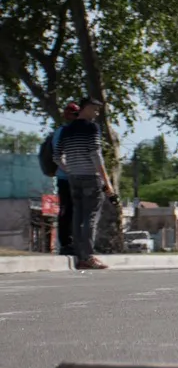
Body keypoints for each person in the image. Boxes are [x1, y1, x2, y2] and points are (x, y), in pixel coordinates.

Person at [54, 97, 117, 270]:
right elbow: (96, 155)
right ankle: (88, 256)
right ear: (86, 108)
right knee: (90, 217)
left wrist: (70, 170)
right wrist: (107, 182)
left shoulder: (67, 130)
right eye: (95, 109)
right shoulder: (91, 128)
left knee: (78, 216)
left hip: (74, 178)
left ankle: (79, 254)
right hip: (91, 177)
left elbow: (57, 156)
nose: (96, 113)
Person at [53, 102, 80, 255]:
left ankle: (77, 242)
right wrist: (70, 172)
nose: (76, 117)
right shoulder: (62, 132)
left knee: (78, 211)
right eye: (73, 114)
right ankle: (66, 243)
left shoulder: (79, 132)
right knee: (66, 210)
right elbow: (57, 156)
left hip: (79, 178)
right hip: (65, 179)